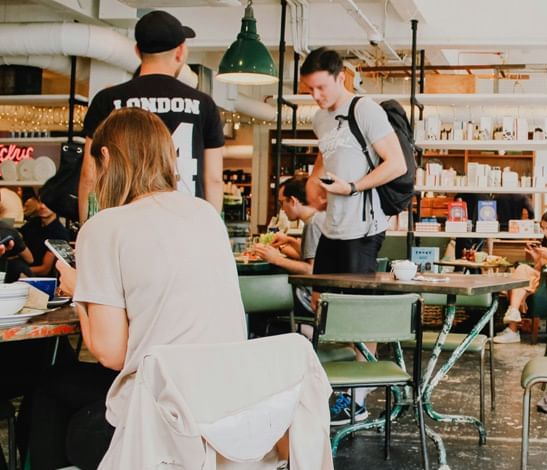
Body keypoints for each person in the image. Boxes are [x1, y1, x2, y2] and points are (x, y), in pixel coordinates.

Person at [26, 107, 246, 470]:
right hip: (222, 411)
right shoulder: (205, 214)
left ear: (107, 157)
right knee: (59, 387)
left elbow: (111, 355)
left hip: (162, 426)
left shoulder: (104, 227)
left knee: (51, 394)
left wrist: (81, 291)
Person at [299, 47, 406, 423]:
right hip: (332, 226)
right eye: (310, 89)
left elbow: (397, 164)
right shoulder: (319, 119)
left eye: (321, 88)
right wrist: (317, 180)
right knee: (322, 306)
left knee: (359, 314)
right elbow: (328, 153)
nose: (316, 96)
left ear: (340, 76)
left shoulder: (366, 110)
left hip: (364, 226)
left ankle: (357, 400)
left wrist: (354, 187)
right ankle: (329, 387)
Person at [78, 10, 225, 222]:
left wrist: (87, 228)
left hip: (126, 221)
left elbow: (89, 174)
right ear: (180, 51)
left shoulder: (108, 100)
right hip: (186, 221)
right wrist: (211, 230)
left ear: (137, 51)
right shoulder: (204, 104)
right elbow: (213, 179)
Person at [492, 210, 547, 344]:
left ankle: (513, 329)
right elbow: (539, 268)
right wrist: (535, 256)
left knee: (519, 279)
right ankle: (513, 319)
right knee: (519, 276)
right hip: (543, 279)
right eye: (543, 228)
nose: (545, 232)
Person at [251, 177, 325, 322]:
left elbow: (312, 270)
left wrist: (276, 259)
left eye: (282, 202)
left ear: (293, 200)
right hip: (322, 296)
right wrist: (289, 241)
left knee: (258, 298)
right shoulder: (319, 218)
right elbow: (316, 255)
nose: (282, 209)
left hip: (310, 298)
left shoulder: (313, 225)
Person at [19, 199, 71, 277]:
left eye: (47, 203)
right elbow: (18, 237)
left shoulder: (60, 233)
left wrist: (17, 271)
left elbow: (44, 269)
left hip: (42, 280)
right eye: (40, 202)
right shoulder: (33, 223)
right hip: (23, 271)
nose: (42, 206)